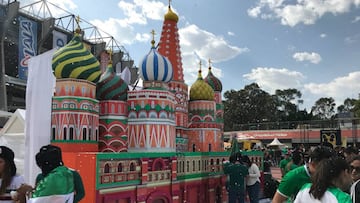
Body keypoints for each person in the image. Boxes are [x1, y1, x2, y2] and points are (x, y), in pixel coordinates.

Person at [272, 145, 336, 203]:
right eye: (326, 166)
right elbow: (276, 201)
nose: (329, 170)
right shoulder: (292, 177)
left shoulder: (329, 176)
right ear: (314, 163)